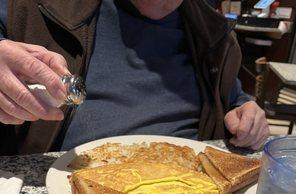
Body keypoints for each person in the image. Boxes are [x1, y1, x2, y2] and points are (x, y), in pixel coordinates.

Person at [0, 0, 269, 155]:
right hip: (55, 193)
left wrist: (243, 109)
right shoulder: (32, 6)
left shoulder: (214, 34)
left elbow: (230, 96)